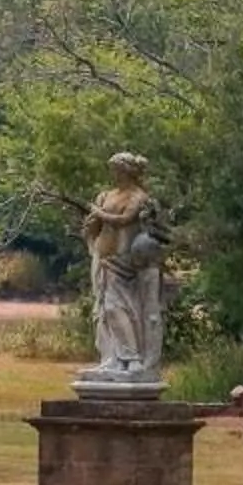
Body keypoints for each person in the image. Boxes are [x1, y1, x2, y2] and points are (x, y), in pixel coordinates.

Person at [78, 151, 169, 380]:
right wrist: (90, 226)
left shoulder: (138, 197)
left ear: (127, 171)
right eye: (113, 170)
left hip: (123, 260)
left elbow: (124, 220)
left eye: (117, 169)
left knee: (118, 307)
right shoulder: (107, 195)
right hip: (103, 257)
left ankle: (132, 358)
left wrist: (99, 213)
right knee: (103, 311)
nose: (114, 174)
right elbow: (95, 227)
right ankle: (111, 358)